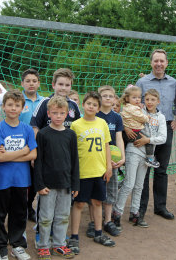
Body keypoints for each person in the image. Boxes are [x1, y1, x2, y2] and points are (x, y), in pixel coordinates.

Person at [134, 49, 176, 221]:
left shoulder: (173, 83)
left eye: (162, 61)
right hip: (146, 130)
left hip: (166, 128)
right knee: (145, 168)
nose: (159, 64)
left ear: (166, 63)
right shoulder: (142, 81)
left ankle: (160, 207)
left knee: (162, 169)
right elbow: (135, 102)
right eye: (156, 61)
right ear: (151, 63)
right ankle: (140, 208)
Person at [0, 90, 38, 260]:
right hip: (2, 181)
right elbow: (1, 157)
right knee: (0, 215)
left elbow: (33, 155)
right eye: (9, 105)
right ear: (3, 107)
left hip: (21, 180)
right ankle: (1, 248)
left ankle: (17, 245)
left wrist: (16, 154)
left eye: (17, 105)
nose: (13, 108)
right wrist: (23, 150)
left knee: (19, 213)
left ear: (22, 108)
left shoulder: (26, 129)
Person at [69, 92, 115, 253]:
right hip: (82, 172)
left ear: (98, 108)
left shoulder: (102, 123)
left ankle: (98, 232)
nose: (91, 106)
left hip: (99, 170)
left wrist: (108, 166)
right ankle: (74, 237)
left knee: (97, 202)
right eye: (88, 103)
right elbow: (72, 151)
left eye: (95, 105)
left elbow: (107, 145)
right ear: (83, 104)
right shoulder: (76, 125)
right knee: (79, 203)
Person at [114, 89, 166, 228]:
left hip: (148, 153)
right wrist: (125, 128)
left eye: (153, 100)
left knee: (139, 185)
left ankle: (134, 213)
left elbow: (163, 138)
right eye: (147, 99)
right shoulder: (138, 110)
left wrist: (148, 140)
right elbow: (123, 117)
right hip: (133, 149)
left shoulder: (160, 117)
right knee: (129, 184)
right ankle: (116, 213)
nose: (149, 102)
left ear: (158, 101)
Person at [34, 96, 79, 259]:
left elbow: (75, 161)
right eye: (55, 113)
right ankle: (43, 246)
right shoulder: (43, 134)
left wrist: (75, 184)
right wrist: (39, 184)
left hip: (66, 184)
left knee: (62, 216)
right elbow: (38, 162)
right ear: (48, 114)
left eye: (62, 113)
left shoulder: (70, 135)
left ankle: (59, 244)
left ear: (67, 113)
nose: (58, 116)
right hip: (47, 185)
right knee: (46, 217)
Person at [94, 85, 125, 237]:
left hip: (112, 161)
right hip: (96, 159)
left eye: (110, 96)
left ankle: (107, 221)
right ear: (99, 98)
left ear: (114, 99)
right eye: (104, 95)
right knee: (96, 192)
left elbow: (119, 138)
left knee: (111, 192)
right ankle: (94, 222)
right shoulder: (95, 115)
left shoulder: (117, 117)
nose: (107, 98)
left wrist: (122, 157)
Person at [18, 68, 44, 222]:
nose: (31, 84)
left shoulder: (44, 101)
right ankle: (21, 207)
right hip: (21, 146)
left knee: (35, 179)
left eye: (34, 81)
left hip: (38, 146)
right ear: (22, 83)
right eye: (28, 81)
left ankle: (29, 206)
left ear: (39, 84)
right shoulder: (17, 100)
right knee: (23, 179)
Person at [30, 68, 80, 135]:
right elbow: (35, 127)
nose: (63, 88)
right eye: (60, 84)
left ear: (71, 86)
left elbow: (79, 127)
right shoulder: (45, 103)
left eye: (67, 85)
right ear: (53, 85)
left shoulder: (73, 105)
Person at [120, 85, 159, 168]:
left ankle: (124, 158)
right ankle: (150, 158)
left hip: (130, 130)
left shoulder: (128, 107)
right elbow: (141, 117)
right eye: (134, 98)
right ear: (127, 99)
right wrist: (147, 117)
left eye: (139, 97)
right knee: (148, 139)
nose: (137, 99)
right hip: (134, 132)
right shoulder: (133, 109)